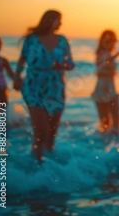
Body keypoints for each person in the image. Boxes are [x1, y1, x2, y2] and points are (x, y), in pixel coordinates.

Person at [13, 10, 75, 163]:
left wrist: (63, 65)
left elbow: (71, 64)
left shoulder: (62, 40)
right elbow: (22, 59)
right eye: (58, 20)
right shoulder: (31, 39)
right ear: (50, 20)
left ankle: (49, 169)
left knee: (51, 134)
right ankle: (36, 164)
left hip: (56, 90)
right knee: (41, 133)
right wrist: (16, 77)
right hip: (34, 89)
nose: (60, 23)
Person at [92, 30, 119, 135]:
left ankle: (110, 140)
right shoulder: (101, 53)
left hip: (107, 85)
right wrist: (117, 54)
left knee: (111, 118)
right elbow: (102, 63)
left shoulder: (107, 53)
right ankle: (110, 141)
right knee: (109, 118)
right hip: (103, 86)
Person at [0, 35, 15, 113]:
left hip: (1, 90)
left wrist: (19, 82)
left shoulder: (2, 61)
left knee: (2, 112)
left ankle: (3, 125)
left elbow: (12, 75)